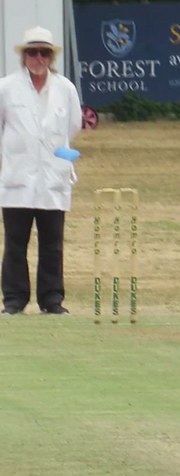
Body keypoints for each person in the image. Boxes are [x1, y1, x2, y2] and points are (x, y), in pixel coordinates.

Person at [0, 26, 82, 315]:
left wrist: (55, 153)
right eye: (33, 52)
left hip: (52, 179)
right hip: (17, 178)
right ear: (24, 56)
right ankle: (13, 301)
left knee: (52, 245)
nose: (38, 58)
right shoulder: (6, 88)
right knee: (14, 244)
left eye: (44, 53)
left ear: (51, 57)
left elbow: (73, 126)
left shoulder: (65, 88)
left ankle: (51, 300)